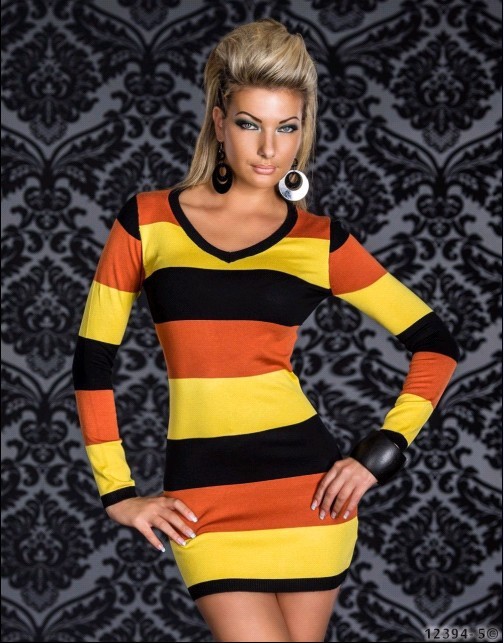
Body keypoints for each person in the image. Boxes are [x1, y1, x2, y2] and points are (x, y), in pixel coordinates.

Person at [72, 18, 460, 643]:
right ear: (219, 121)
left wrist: (379, 454)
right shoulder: (147, 221)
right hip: (204, 501)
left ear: (304, 131)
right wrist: (118, 492)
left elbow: (435, 344)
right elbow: (93, 359)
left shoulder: (319, 241)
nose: (268, 149)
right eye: (250, 124)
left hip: (308, 496)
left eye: (287, 127)